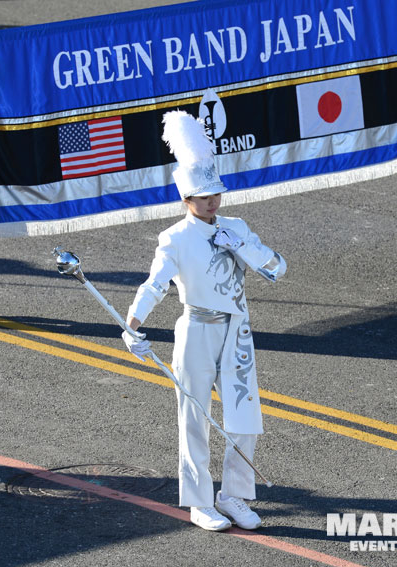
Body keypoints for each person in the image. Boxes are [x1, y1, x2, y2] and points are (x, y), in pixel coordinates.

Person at [122, 111, 286, 532]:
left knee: (244, 418)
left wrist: (242, 248)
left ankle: (233, 495)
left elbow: (277, 269)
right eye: (203, 196)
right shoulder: (174, 238)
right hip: (196, 329)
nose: (212, 202)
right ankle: (198, 501)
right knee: (194, 417)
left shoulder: (236, 227)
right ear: (185, 200)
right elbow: (155, 284)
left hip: (238, 331)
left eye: (215, 193)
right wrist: (132, 324)